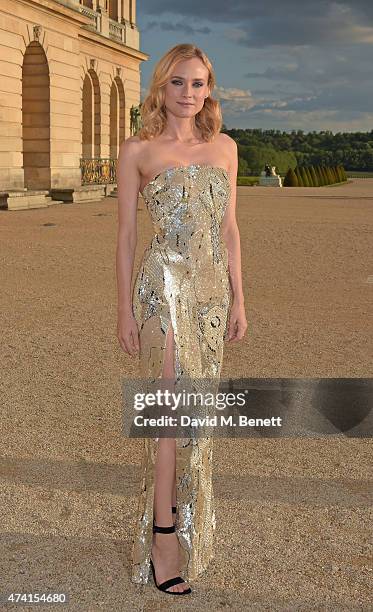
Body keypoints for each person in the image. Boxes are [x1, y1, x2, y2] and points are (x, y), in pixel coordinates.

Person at [116, 43, 247, 596]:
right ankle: (163, 534)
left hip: (211, 296)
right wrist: (122, 307)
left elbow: (230, 228)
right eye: (177, 83)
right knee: (169, 413)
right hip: (163, 289)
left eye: (197, 84)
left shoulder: (226, 149)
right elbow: (125, 237)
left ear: (209, 89)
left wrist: (240, 297)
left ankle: (186, 522)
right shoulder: (138, 150)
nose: (188, 93)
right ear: (161, 88)